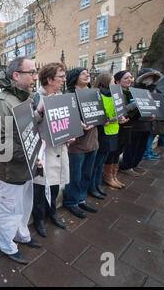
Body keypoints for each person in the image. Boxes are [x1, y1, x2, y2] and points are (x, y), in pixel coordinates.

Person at [0, 57, 42, 265]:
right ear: (16, 75)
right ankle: (6, 245)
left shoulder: (23, 99)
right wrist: (30, 155)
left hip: (26, 167)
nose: (36, 77)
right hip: (10, 172)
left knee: (23, 206)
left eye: (36, 72)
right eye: (31, 72)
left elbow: (25, 129)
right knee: (9, 209)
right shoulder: (2, 103)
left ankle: (21, 235)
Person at [32, 62, 71, 238]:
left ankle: (52, 213)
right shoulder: (35, 98)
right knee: (40, 189)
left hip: (60, 149)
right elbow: (28, 124)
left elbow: (67, 122)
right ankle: (39, 219)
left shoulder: (62, 96)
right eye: (61, 76)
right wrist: (39, 111)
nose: (64, 80)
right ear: (49, 79)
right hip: (44, 152)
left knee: (55, 186)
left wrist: (71, 133)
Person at [62, 68, 98, 219]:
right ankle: (71, 202)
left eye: (87, 72)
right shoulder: (68, 96)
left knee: (86, 174)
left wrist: (98, 120)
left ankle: (81, 199)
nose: (87, 74)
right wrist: (78, 124)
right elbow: (64, 119)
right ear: (74, 77)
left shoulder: (93, 94)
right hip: (77, 145)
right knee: (75, 176)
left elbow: (99, 114)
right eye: (83, 73)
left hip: (92, 142)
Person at [90, 73, 129, 199]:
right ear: (105, 82)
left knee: (103, 161)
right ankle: (93, 186)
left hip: (114, 131)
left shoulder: (114, 96)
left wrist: (120, 119)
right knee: (97, 162)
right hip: (103, 133)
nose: (115, 84)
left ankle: (99, 184)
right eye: (113, 81)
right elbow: (98, 116)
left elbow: (117, 111)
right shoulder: (97, 96)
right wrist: (108, 119)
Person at [119, 68, 161, 177]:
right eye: (148, 77)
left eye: (152, 77)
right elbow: (127, 108)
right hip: (135, 123)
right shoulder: (134, 90)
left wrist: (153, 112)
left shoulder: (153, 89)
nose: (150, 79)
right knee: (132, 146)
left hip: (148, 123)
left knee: (141, 146)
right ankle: (127, 166)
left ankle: (135, 163)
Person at [103, 70, 137, 187]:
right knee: (113, 152)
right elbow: (118, 111)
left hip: (126, 125)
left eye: (131, 77)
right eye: (126, 78)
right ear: (117, 81)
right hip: (117, 127)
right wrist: (133, 106)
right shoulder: (115, 94)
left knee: (117, 152)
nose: (129, 80)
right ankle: (108, 177)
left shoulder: (130, 92)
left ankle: (113, 175)